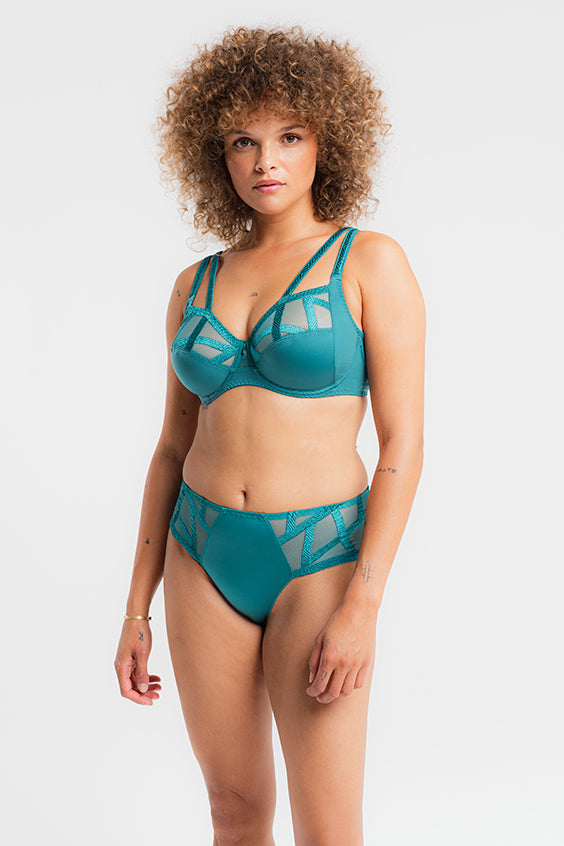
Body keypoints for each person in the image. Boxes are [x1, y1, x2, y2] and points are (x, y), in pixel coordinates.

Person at [114, 25, 425, 846]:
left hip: (319, 556)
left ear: (328, 139)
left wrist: (364, 603)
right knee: (234, 811)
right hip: (200, 549)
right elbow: (170, 449)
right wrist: (136, 608)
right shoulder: (194, 283)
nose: (265, 162)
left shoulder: (370, 262)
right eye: (243, 142)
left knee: (328, 829)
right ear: (215, 155)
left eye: (289, 136)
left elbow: (402, 443)